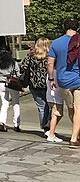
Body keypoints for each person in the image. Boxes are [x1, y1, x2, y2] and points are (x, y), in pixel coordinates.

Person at [47, 18, 80, 148]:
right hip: (78, 79)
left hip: (63, 81)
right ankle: (74, 137)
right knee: (78, 109)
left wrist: (51, 78)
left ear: (64, 27)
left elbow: (50, 63)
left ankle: (76, 135)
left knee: (71, 109)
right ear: (77, 27)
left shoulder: (56, 43)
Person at [20, 37, 51, 134]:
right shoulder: (50, 57)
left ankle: (44, 128)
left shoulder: (31, 56)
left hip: (34, 85)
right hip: (47, 85)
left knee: (41, 107)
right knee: (51, 106)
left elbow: (22, 68)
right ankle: (49, 125)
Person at [0, 48, 21, 132]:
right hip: (12, 83)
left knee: (4, 104)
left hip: (1, 83)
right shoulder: (13, 63)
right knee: (15, 103)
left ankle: (2, 122)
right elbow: (18, 74)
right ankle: (16, 124)